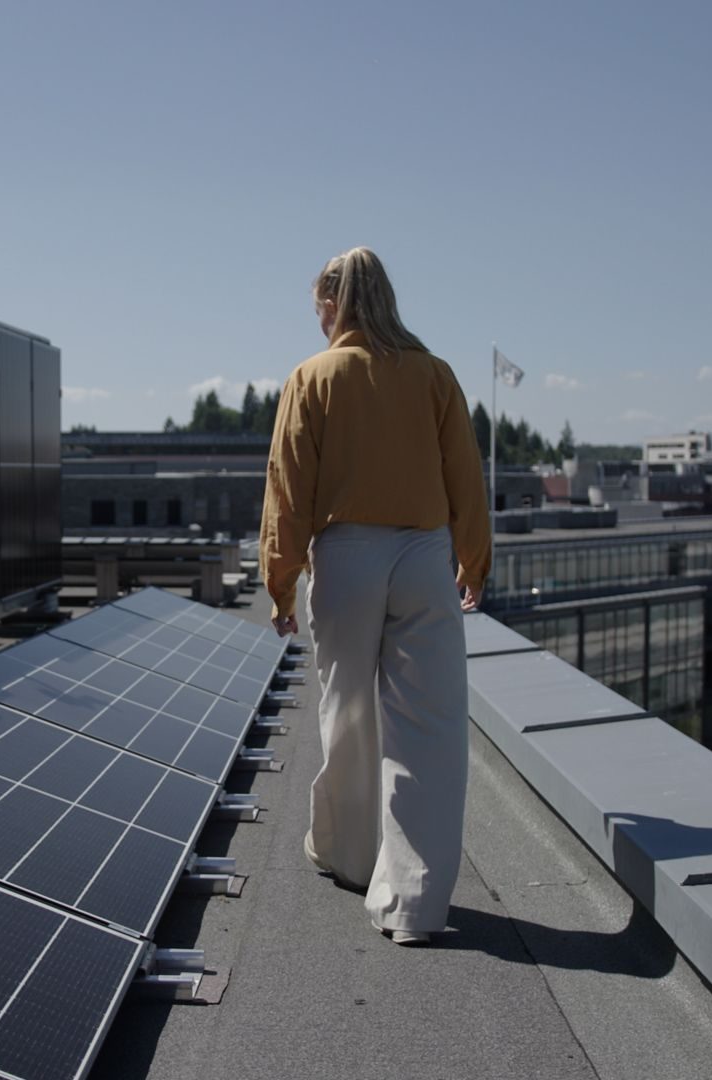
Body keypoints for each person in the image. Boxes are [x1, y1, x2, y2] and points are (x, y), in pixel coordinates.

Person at [258, 247, 490, 946]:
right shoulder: (433, 375)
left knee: (349, 712)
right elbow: (466, 478)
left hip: (348, 555)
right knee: (430, 728)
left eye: (321, 306)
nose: (320, 318)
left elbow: (288, 487)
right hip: (423, 556)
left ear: (337, 302)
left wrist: (280, 580)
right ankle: (415, 904)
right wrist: (473, 561)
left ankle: (352, 858)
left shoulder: (313, 376)